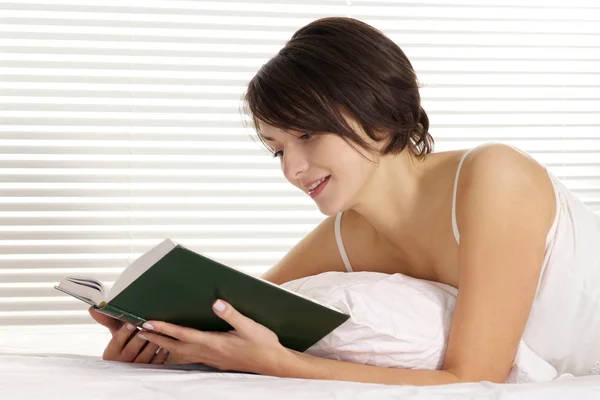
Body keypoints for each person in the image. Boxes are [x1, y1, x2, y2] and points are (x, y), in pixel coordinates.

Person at [89, 17, 600, 385]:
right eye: (277, 151)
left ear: (375, 114)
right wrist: (158, 340)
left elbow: (474, 377)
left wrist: (284, 365)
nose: (292, 169)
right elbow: (233, 315)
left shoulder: (493, 179)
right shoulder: (346, 236)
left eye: (308, 135)